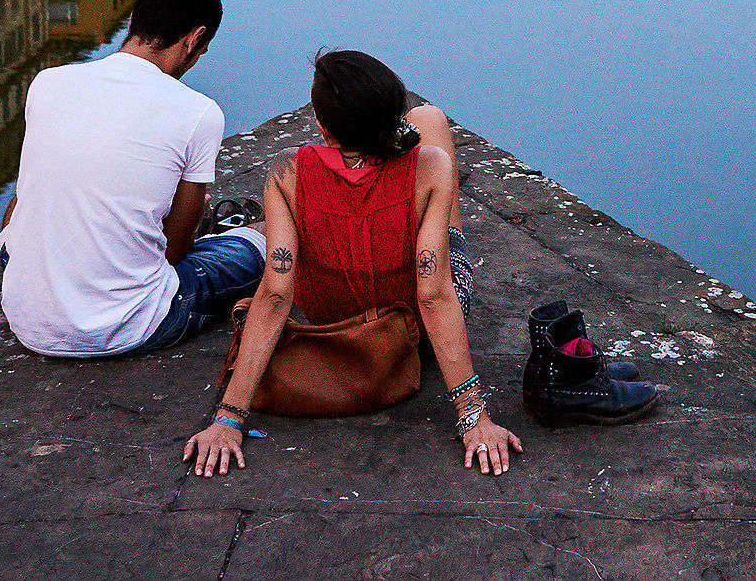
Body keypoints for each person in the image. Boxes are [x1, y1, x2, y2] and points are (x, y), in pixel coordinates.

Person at [183, 52, 527, 479]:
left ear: (323, 126)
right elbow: (434, 293)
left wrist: (228, 418)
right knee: (433, 120)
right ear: (392, 121)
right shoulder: (430, 164)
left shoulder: (286, 169)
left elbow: (275, 293)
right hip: (406, 334)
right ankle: (436, 206)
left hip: (332, 321)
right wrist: (474, 417)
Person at [0, 0, 265, 358]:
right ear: (195, 40)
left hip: (28, 318)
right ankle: (241, 231)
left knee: (19, 210)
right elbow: (174, 252)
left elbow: (24, 202)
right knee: (262, 241)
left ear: (133, 22)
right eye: (201, 52)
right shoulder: (199, 114)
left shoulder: (47, 83)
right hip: (128, 324)